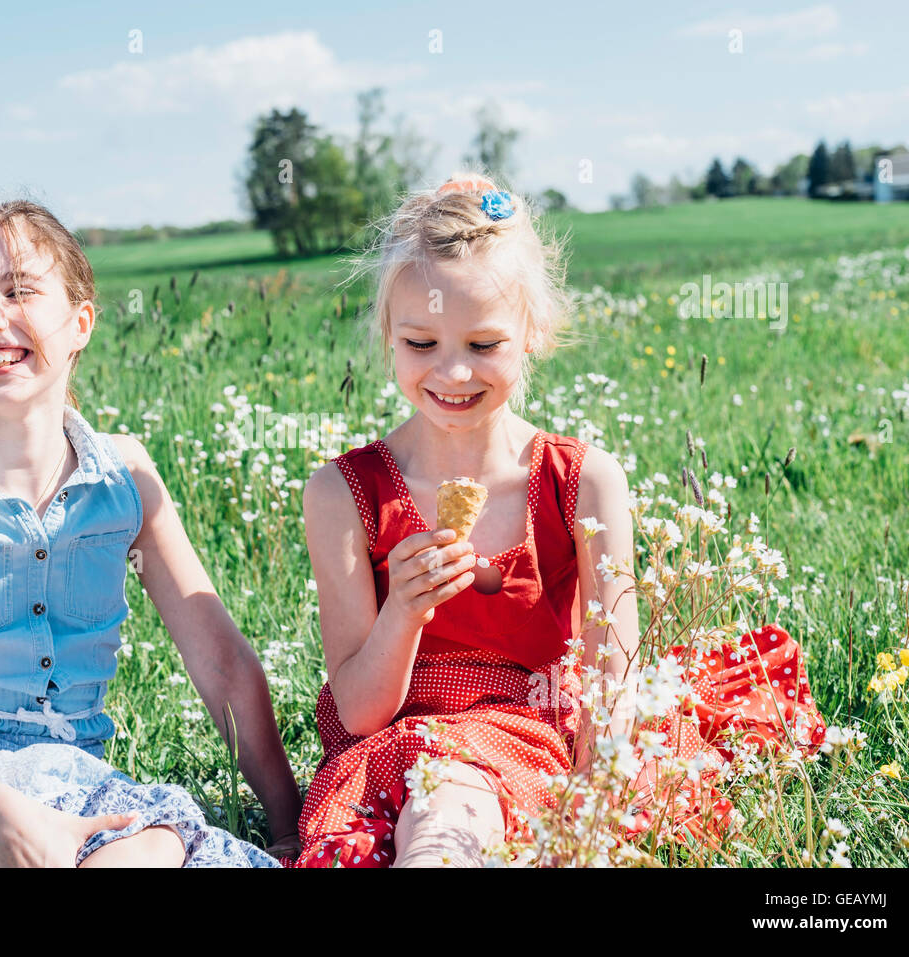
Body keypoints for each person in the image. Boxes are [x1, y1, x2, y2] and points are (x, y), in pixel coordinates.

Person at [289, 174, 826, 867]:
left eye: (483, 345)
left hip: (552, 732)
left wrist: (591, 810)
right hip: (411, 750)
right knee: (443, 808)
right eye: (421, 343)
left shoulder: (582, 481)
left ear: (533, 334)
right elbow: (360, 713)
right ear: (388, 333)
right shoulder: (343, 493)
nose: (452, 371)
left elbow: (614, 678)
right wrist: (403, 613)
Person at [0, 200, 301, 867]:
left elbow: (218, 660)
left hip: (71, 779)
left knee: (161, 845)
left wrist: (290, 824)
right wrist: (5, 820)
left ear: (81, 323)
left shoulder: (126, 474)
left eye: (18, 290)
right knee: (139, 849)